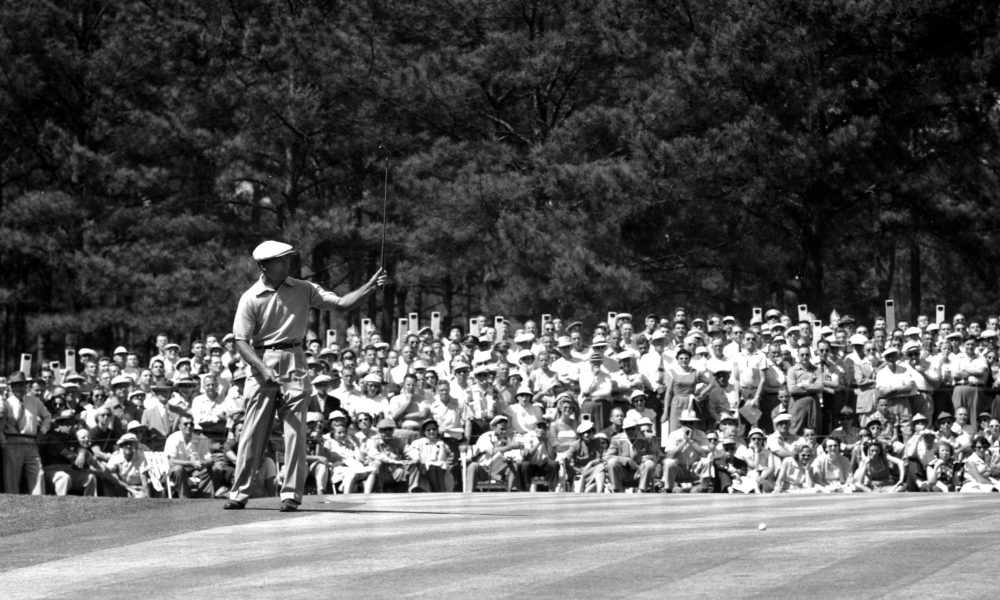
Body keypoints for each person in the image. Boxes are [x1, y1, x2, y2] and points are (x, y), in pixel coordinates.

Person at [225, 240, 386, 511]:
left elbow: (341, 304)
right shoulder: (250, 298)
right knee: (252, 432)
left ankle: (291, 494)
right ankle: (239, 492)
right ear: (264, 266)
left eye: (288, 258)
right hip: (261, 360)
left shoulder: (304, 288)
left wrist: (370, 286)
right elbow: (241, 341)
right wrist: (263, 369)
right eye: (280, 260)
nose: (287, 263)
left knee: (295, 432)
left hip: (295, 360)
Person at [1, 372, 50, 494]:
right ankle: (12, 502)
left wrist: (42, 432)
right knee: (12, 476)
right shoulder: (6, 403)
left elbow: (47, 417)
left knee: (38, 473)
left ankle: (39, 501)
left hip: (31, 442)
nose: (20, 388)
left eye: (22, 385)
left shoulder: (35, 402)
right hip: (12, 442)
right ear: (11, 387)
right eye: (16, 385)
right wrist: (3, 440)